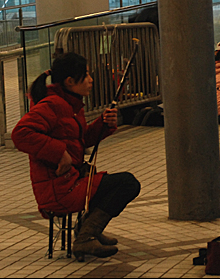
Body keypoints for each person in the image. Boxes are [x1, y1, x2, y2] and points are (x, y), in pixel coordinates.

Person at [11, 52, 141, 262]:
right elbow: (21, 134)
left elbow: (79, 141)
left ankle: (87, 230)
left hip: (72, 181)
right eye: (86, 75)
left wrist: (103, 124)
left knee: (122, 183)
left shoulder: (71, 104)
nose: (91, 80)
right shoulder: (52, 104)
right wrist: (59, 154)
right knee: (127, 183)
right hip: (59, 189)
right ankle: (86, 235)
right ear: (70, 81)